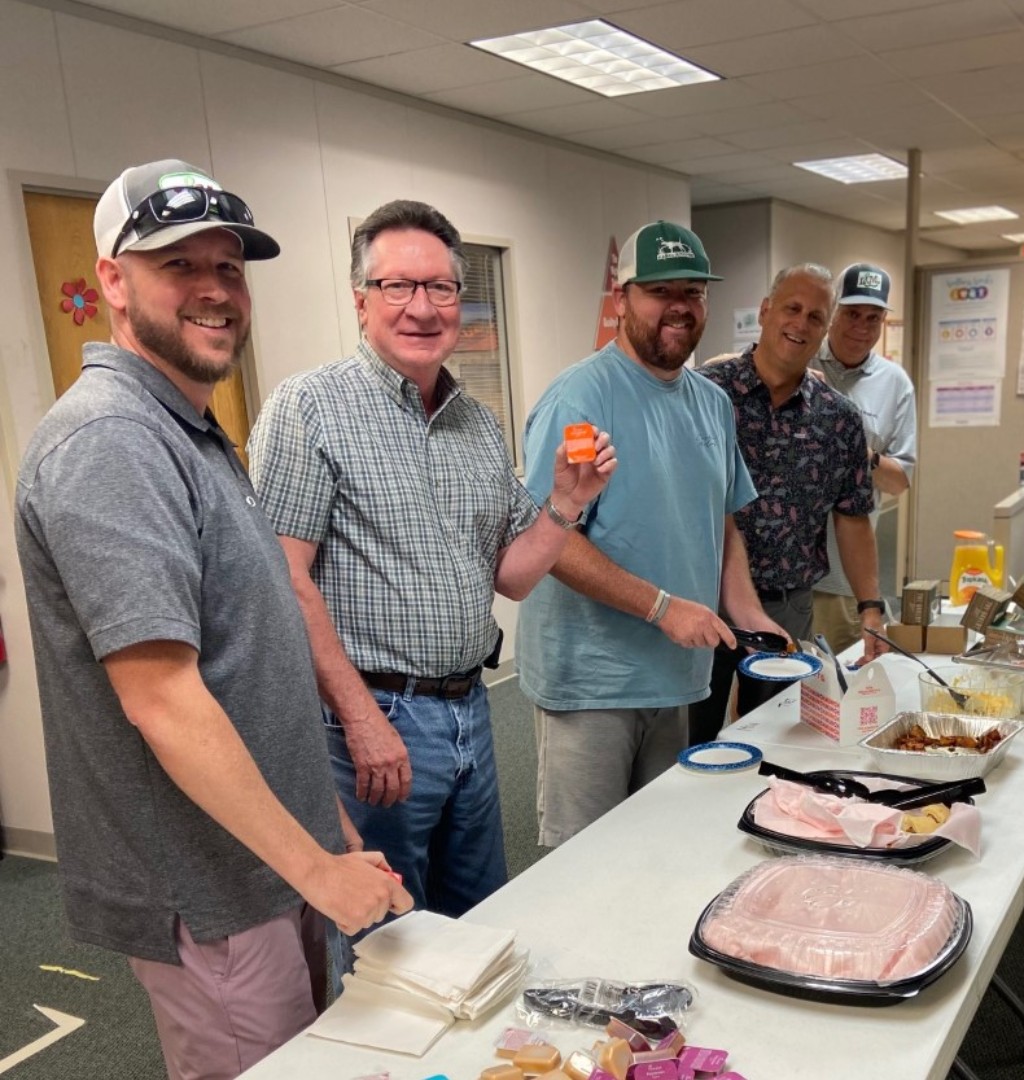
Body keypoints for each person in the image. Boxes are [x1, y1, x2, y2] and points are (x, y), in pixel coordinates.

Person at [14, 159, 412, 1080]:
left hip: (264, 860)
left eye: (228, 267)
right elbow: (163, 698)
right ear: (113, 281)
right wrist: (316, 869)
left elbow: (244, 658)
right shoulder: (112, 441)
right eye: (178, 265)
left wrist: (317, 825)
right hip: (211, 888)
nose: (215, 290)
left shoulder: (188, 428)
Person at [247, 200, 615, 971]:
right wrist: (361, 719)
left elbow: (512, 576)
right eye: (398, 286)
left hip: (469, 713)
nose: (422, 307)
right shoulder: (310, 409)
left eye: (441, 288)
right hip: (372, 720)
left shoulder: (476, 423)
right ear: (361, 301)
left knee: (476, 929)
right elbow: (284, 580)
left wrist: (566, 503)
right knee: (385, 946)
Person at [515, 221, 781, 847]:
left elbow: (720, 521)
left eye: (693, 292)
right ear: (621, 300)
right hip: (592, 682)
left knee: (658, 849)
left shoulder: (712, 404)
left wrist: (749, 616)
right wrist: (662, 608)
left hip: (677, 675)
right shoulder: (582, 397)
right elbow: (551, 540)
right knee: (586, 860)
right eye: (660, 291)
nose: (679, 307)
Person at [689, 263, 889, 739]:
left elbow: (852, 517)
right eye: (791, 309)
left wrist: (871, 606)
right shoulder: (704, 393)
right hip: (702, 602)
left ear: (825, 329)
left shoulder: (838, 418)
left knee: (776, 739)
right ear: (765, 311)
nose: (801, 324)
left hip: (785, 607)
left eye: (815, 317)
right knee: (692, 740)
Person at [811, 263, 916, 651]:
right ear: (833, 310)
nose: (862, 327)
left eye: (873, 318)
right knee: (774, 683)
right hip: (777, 574)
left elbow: (899, 481)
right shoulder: (801, 360)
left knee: (837, 682)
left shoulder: (895, 384)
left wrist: (858, 451)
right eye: (852, 313)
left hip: (843, 578)